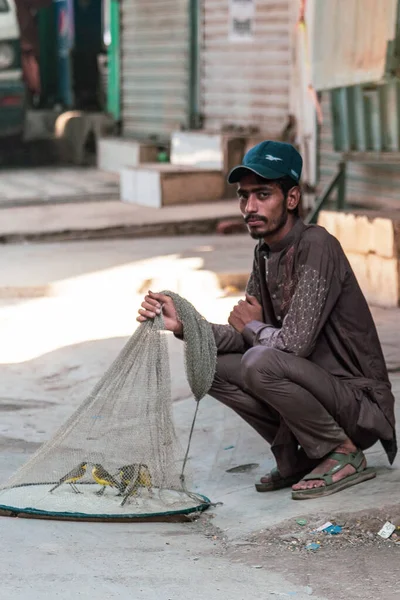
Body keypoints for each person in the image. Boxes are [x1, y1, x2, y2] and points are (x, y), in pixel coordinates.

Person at [137, 140, 396, 500]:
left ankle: (341, 452)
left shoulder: (317, 245)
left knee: (260, 361)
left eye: (263, 194)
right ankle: (296, 456)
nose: (250, 207)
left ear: (291, 199)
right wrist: (186, 326)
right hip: (312, 390)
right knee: (207, 363)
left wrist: (253, 327)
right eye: (244, 197)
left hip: (357, 404)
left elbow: (291, 345)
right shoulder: (264, 253)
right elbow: (244, 337)